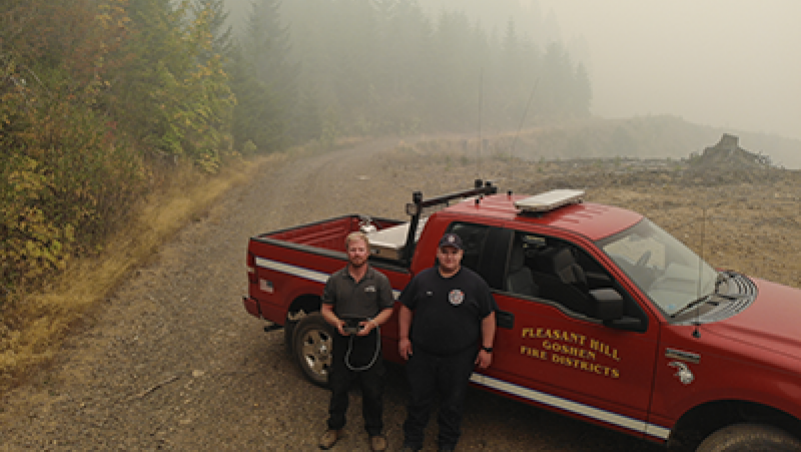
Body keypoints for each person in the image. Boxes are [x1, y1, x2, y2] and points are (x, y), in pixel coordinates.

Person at [398, 232, 497, 452]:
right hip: (422, 353)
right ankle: (412, 440)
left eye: (454, 253)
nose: (449, 257)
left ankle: (447, 443)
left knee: (453, 403)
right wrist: (404, 338)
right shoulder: (422, 279)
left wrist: (487, 348)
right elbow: (405, 307)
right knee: (417, 400)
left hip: (459, 357)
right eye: (445, 252)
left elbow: (488, 316)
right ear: (438, 253)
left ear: (462, 254)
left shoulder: (475, 283)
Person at [318, 231, 395, 452]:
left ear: (368, 252)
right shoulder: (335, 280)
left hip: (369, 339)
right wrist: (337, 323)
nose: (357, 253)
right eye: (353, 250)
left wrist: (372, 324)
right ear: (347, 252)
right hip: (343, 338)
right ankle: (335, 427)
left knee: (372, 389)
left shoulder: (380, 280)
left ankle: (375, 431)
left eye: (361, 249)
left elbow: (388, 309)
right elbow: (325, 309)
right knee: (338, 385)